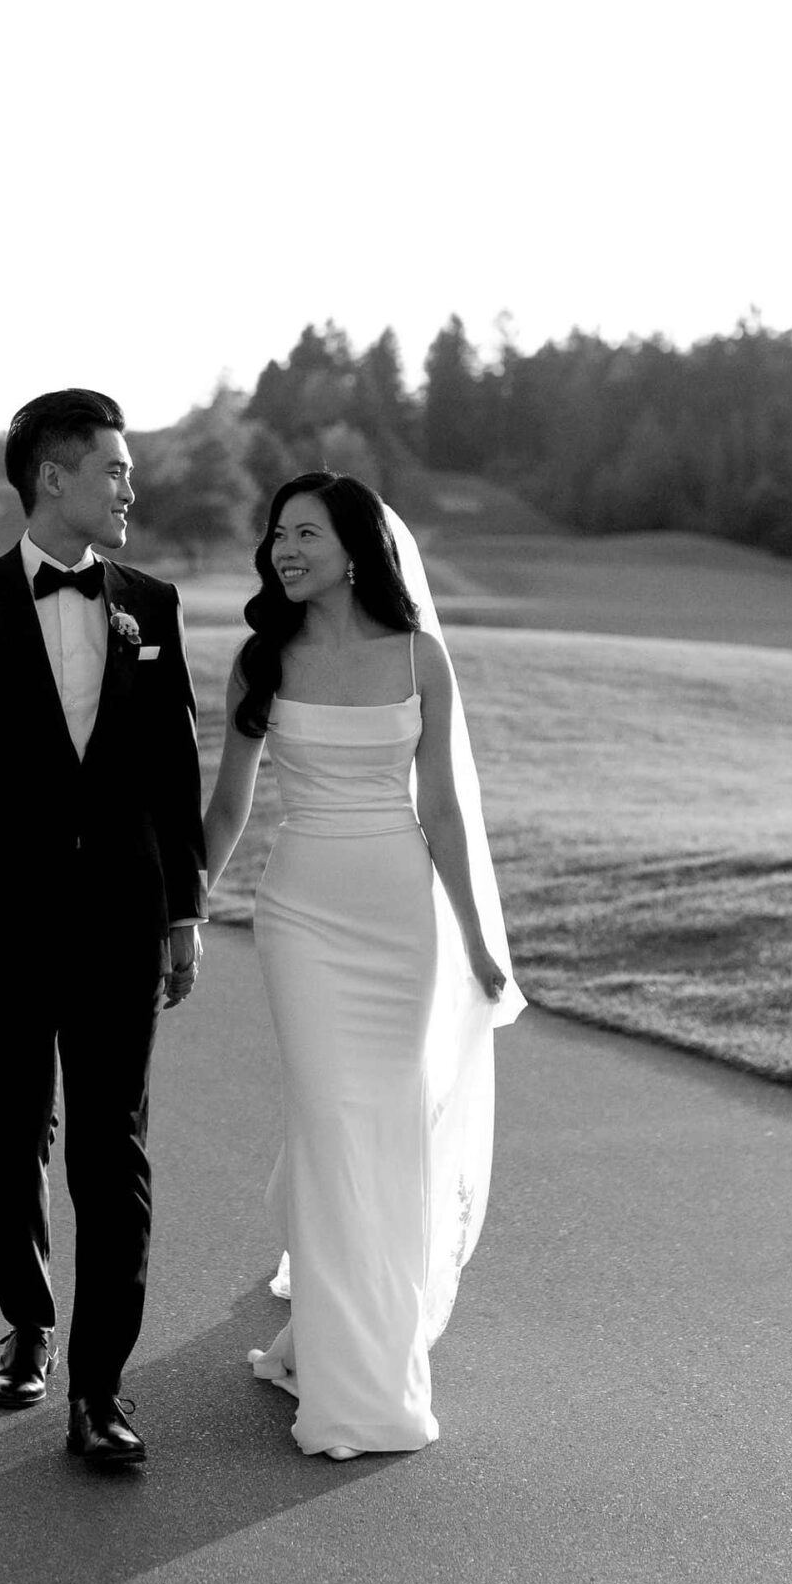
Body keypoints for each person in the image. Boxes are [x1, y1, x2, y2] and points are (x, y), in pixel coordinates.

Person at [0, 388, 207, 1469]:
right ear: (54, 477)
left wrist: (182, 912)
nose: (130, 486)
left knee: (112, 1149)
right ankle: (27, 1322)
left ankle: (99, 1391)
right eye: (114, 468)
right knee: (12, 1130)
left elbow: (172, 772)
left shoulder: (152, 605)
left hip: (120, 922)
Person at [202, 471, 524, 1459]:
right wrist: (183, 907)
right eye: (275, 535)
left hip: (400, 920)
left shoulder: (419, 656)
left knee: (383, 1137)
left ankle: (361, 1354)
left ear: (354, 547)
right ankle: (351, 1388)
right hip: (298, 916)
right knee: (333, 1125)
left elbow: (442, 813)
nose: (282, 549)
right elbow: (228, 807)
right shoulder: (261, 659)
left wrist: (477, 942)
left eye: (302, 532)